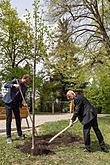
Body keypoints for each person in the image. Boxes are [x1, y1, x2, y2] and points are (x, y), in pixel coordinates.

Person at [3, 74, 30, 144]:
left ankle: (20, 134)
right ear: (24, 78)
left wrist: (24, 103)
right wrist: (14, 85)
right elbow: (5, 85)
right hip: (8, 102)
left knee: (18, 118)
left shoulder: (24, 88)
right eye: (27, 79)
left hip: (16, 104)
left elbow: (22, 98)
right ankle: (8, 137)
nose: (28, 81)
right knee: (9, 119)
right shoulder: (16, 81)